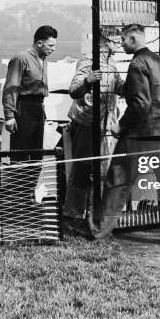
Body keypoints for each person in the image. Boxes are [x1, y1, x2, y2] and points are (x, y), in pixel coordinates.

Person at [92, 24, 160, 246]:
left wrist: (120, 126)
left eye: (124, 40)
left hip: (140, 133)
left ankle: (100, 231)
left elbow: (140, 104)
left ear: (134, 39)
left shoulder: (137, 63)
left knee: (117, 181)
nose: (121, 44)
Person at [63, 32, 123, 236]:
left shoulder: (112, 62)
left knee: (100, 169)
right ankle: (72, 215)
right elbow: (73, 90)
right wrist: (87, 81)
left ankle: (93, 213)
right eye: (117, 40)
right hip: (87, 123)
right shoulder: (88, 61)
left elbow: (119, 86)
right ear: (107, 41)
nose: (121, 44)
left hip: (104, 125)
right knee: (82, 169)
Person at [2, 25, 58, 157]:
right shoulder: (21, 59)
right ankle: (20, 177)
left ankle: (34, 177)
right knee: (21, 152)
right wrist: (9, 116)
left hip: (38, 108)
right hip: (23, 109)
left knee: (37, 152)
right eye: (50, 45)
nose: (53, 49)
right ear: (39, 43)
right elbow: (11, 87)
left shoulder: (43, 59)